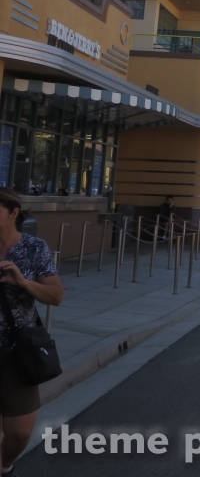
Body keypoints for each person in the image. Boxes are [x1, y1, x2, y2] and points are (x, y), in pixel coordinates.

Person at [0, 188, 64, 471]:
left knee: (19, 433)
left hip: (17, 351)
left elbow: (56, 295)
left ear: (14, 213)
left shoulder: (34, 248)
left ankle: (5, 465)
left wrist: (23, 282)